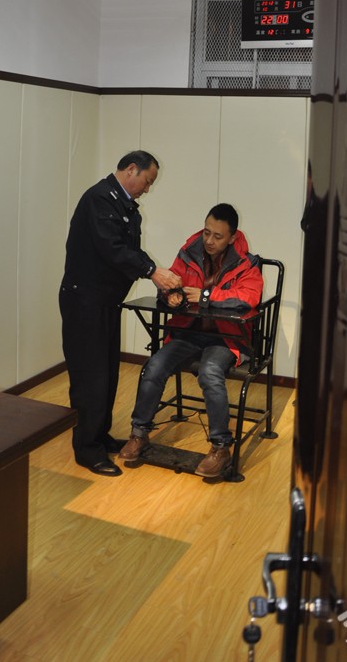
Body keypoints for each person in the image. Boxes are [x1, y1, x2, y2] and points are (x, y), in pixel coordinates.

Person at [119, 203, 263, 479]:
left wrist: (207, 296)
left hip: (225, 337)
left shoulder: (247, 263)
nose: (209, 240)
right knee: (154, 366)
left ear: (232, 237)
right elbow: (169, 283)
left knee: (210, 372)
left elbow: (248, 298)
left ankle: (220, 447)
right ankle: (139, 434)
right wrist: (170, 296)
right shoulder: (188, 253)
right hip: (187, 332)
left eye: (218, 236)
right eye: (207, 232)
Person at [59, 150, 180, 477]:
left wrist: (154, 273)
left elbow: (130, 250)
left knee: (107, 372)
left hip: (104, 301)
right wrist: (152, 271)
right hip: (85, 302)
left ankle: (99, 435)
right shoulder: (99, 199)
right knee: (89, 377)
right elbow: (112, 249)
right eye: (147, 181)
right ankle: (87, 449)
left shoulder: (121, 204)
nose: (147, 189)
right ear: (131, 169)